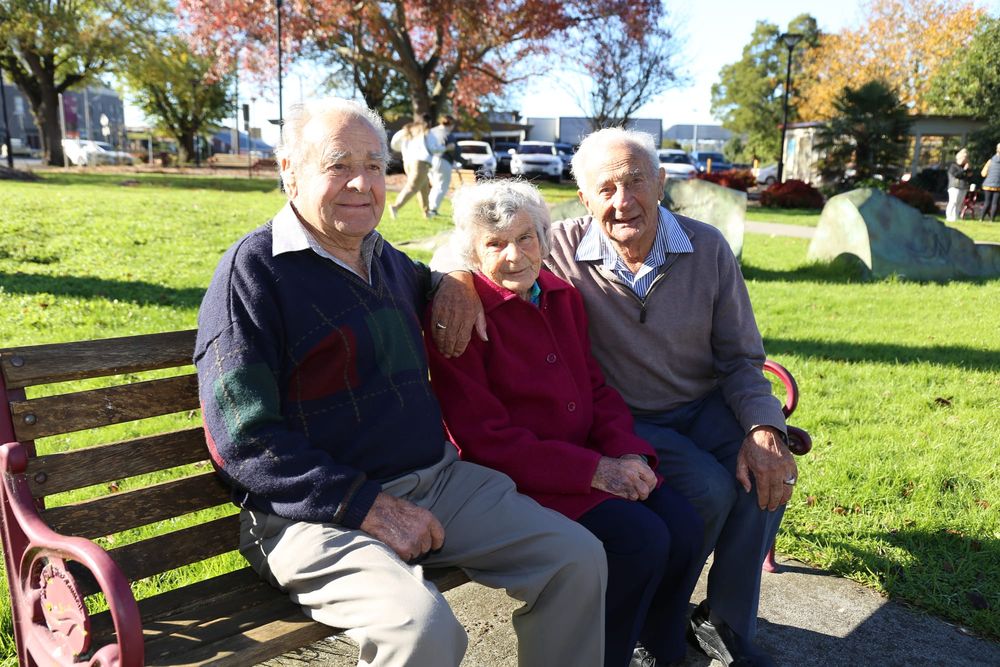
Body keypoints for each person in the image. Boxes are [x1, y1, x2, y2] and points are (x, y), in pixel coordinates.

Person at [194, 97, 608, 667]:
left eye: (374, 164)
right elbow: (241, 440)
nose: (363, 183)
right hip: (311, 513)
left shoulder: (381, 256)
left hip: (433, 482)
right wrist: (365, 504)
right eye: (339, 164)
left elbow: (434, 282)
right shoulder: (254, 272)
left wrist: (456, 278)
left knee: (576, 558)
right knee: (423, 631)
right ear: (288, 170)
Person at [433, 127, 798, 667]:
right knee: (708, 494)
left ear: (662, 184)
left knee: (768, 475)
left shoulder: (708, 248)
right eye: (605, 188)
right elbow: (481, 239)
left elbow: (742, 360)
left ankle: (726, 627)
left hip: (701, 405)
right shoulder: (555, 245)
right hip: (632, 418)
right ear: (583, 198)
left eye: (635, 182)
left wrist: (764, 428)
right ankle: (660, 622)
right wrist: (456, 278)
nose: (622, 201)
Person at [424, 181, 703, 667]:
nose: (514, 256)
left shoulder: (561, 296)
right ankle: (607, 655)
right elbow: (484, 441)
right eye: (494, 244)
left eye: (525, 238)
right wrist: (593, 470)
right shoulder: (464, 317)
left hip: (586, 463)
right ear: (472, 252)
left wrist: (628, 452)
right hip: (523, 479)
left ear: (544, 239)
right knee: (640, 540)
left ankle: (661, 649)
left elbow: (595, 390)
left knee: (683, 525)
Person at [388, 113, 441, 219]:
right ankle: (395, 207)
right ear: (428, 122)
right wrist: (445, 148)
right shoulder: (426, 131)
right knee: (412, 187)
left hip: (407, 162)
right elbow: (435, 148)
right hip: (420, 163)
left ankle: (426, 212)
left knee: (424, 187)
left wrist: (403, 149)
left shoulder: (406, 130)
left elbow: (394, 143)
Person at [428, 115, 458, 216]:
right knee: (441, 186)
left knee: (435, 185)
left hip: (430, 161)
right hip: (443, 160)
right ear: (451, 124)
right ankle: (433, 209)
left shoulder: (431, 131)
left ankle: (429, 208)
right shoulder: (448, 134)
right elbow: (452, 147)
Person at [946, 148, 973, 222]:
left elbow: (969, 175)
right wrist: (964, 169)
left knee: (959, 203)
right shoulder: (953, 166)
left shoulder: (965, 166)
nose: (965, 160)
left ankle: (955, 216)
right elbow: (956, 175)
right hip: (954, 186)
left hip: (963, 187)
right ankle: (949, 216)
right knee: (953, 201)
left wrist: (968, 169)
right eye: (964, 158)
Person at [980, 142, 1000, 222]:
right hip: (998, 185)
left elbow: (983, 173)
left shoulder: (990, 161)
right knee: (995, 203)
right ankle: (992, 219)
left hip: (987, 185)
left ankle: (981, 218)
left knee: (987, 202)